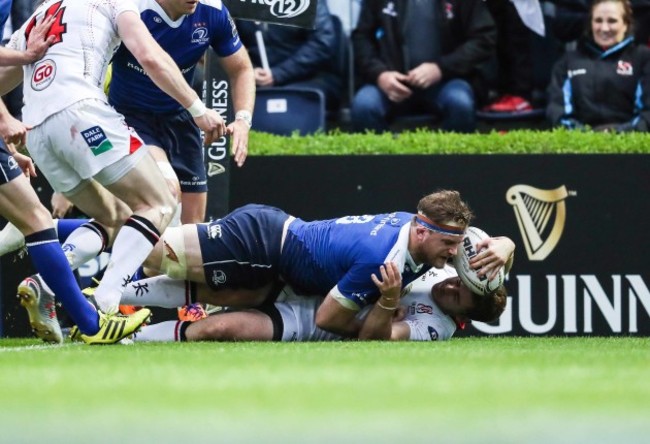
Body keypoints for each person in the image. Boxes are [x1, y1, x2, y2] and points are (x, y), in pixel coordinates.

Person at [0, 0, 227, 326]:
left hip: (37, 133)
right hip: (82, 113)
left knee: (114, 217)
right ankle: (107, 299)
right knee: (161, 200)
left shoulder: (41, 12)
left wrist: (6, 142)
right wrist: (198, 109)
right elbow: (150, 57)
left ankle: (47, 282)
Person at [91, 191, 512, 337]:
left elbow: (474, 249)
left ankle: (84, 299)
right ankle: (59, 244)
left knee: (207, 293)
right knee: (147, 252)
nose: (452, 257)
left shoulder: (421, 235)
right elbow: (329, 318)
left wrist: (507, 245)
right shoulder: (383, 258)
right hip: (260, 241)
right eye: (448, 246)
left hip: (273, 261)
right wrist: (383, 306)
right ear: (423, 232)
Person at [0, 15, 151, 345]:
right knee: (39, 221)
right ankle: (92, 320)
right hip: (68, 122)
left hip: (42, 130)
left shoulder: (44, 17)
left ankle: (64, 296)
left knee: (38, 222)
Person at [109, 0, 254, 225]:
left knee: (193, 228)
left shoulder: (213, 11)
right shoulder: (130, 10)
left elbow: (241, 69)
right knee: (167, 192)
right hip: (131, 117)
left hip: (182, 116)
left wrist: (243, 119)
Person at [128, 258, 510, 343]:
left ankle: (128, 340)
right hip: (312, 280)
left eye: (458, 296)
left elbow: (375, 339)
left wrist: (388, 301)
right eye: (460, 282)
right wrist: (507, 246)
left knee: (220, 326)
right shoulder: (453, 267)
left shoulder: (435, 328)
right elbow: (487, 241)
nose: (449, 286)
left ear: (463, 319)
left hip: (313, 320)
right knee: (214, 287)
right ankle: (110, 295)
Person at [349, 0, 497, 133]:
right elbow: (362, 38)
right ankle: (387, 162)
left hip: (447, 81)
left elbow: (483, 39)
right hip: (391, 84)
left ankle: (449, 162)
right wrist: (380, 74)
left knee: (460, 103)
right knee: (364, 106)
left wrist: (440, 68)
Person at [546, 0, 650, 131]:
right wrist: (585, 136)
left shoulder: (644, 58)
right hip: (580, 145)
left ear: (626, 24)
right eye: (598, 21)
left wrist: (619, 134)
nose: (604, 28)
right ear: (590, 23)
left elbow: (647, 115)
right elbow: (557, 111)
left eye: (612, 21)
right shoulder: (568, 62)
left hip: (630, 145)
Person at [235, 0, 343, 112]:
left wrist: (278, 74)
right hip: (255, 79)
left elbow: (322, 43)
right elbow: (229, 43)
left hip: (308, 78)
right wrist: (250, 70)